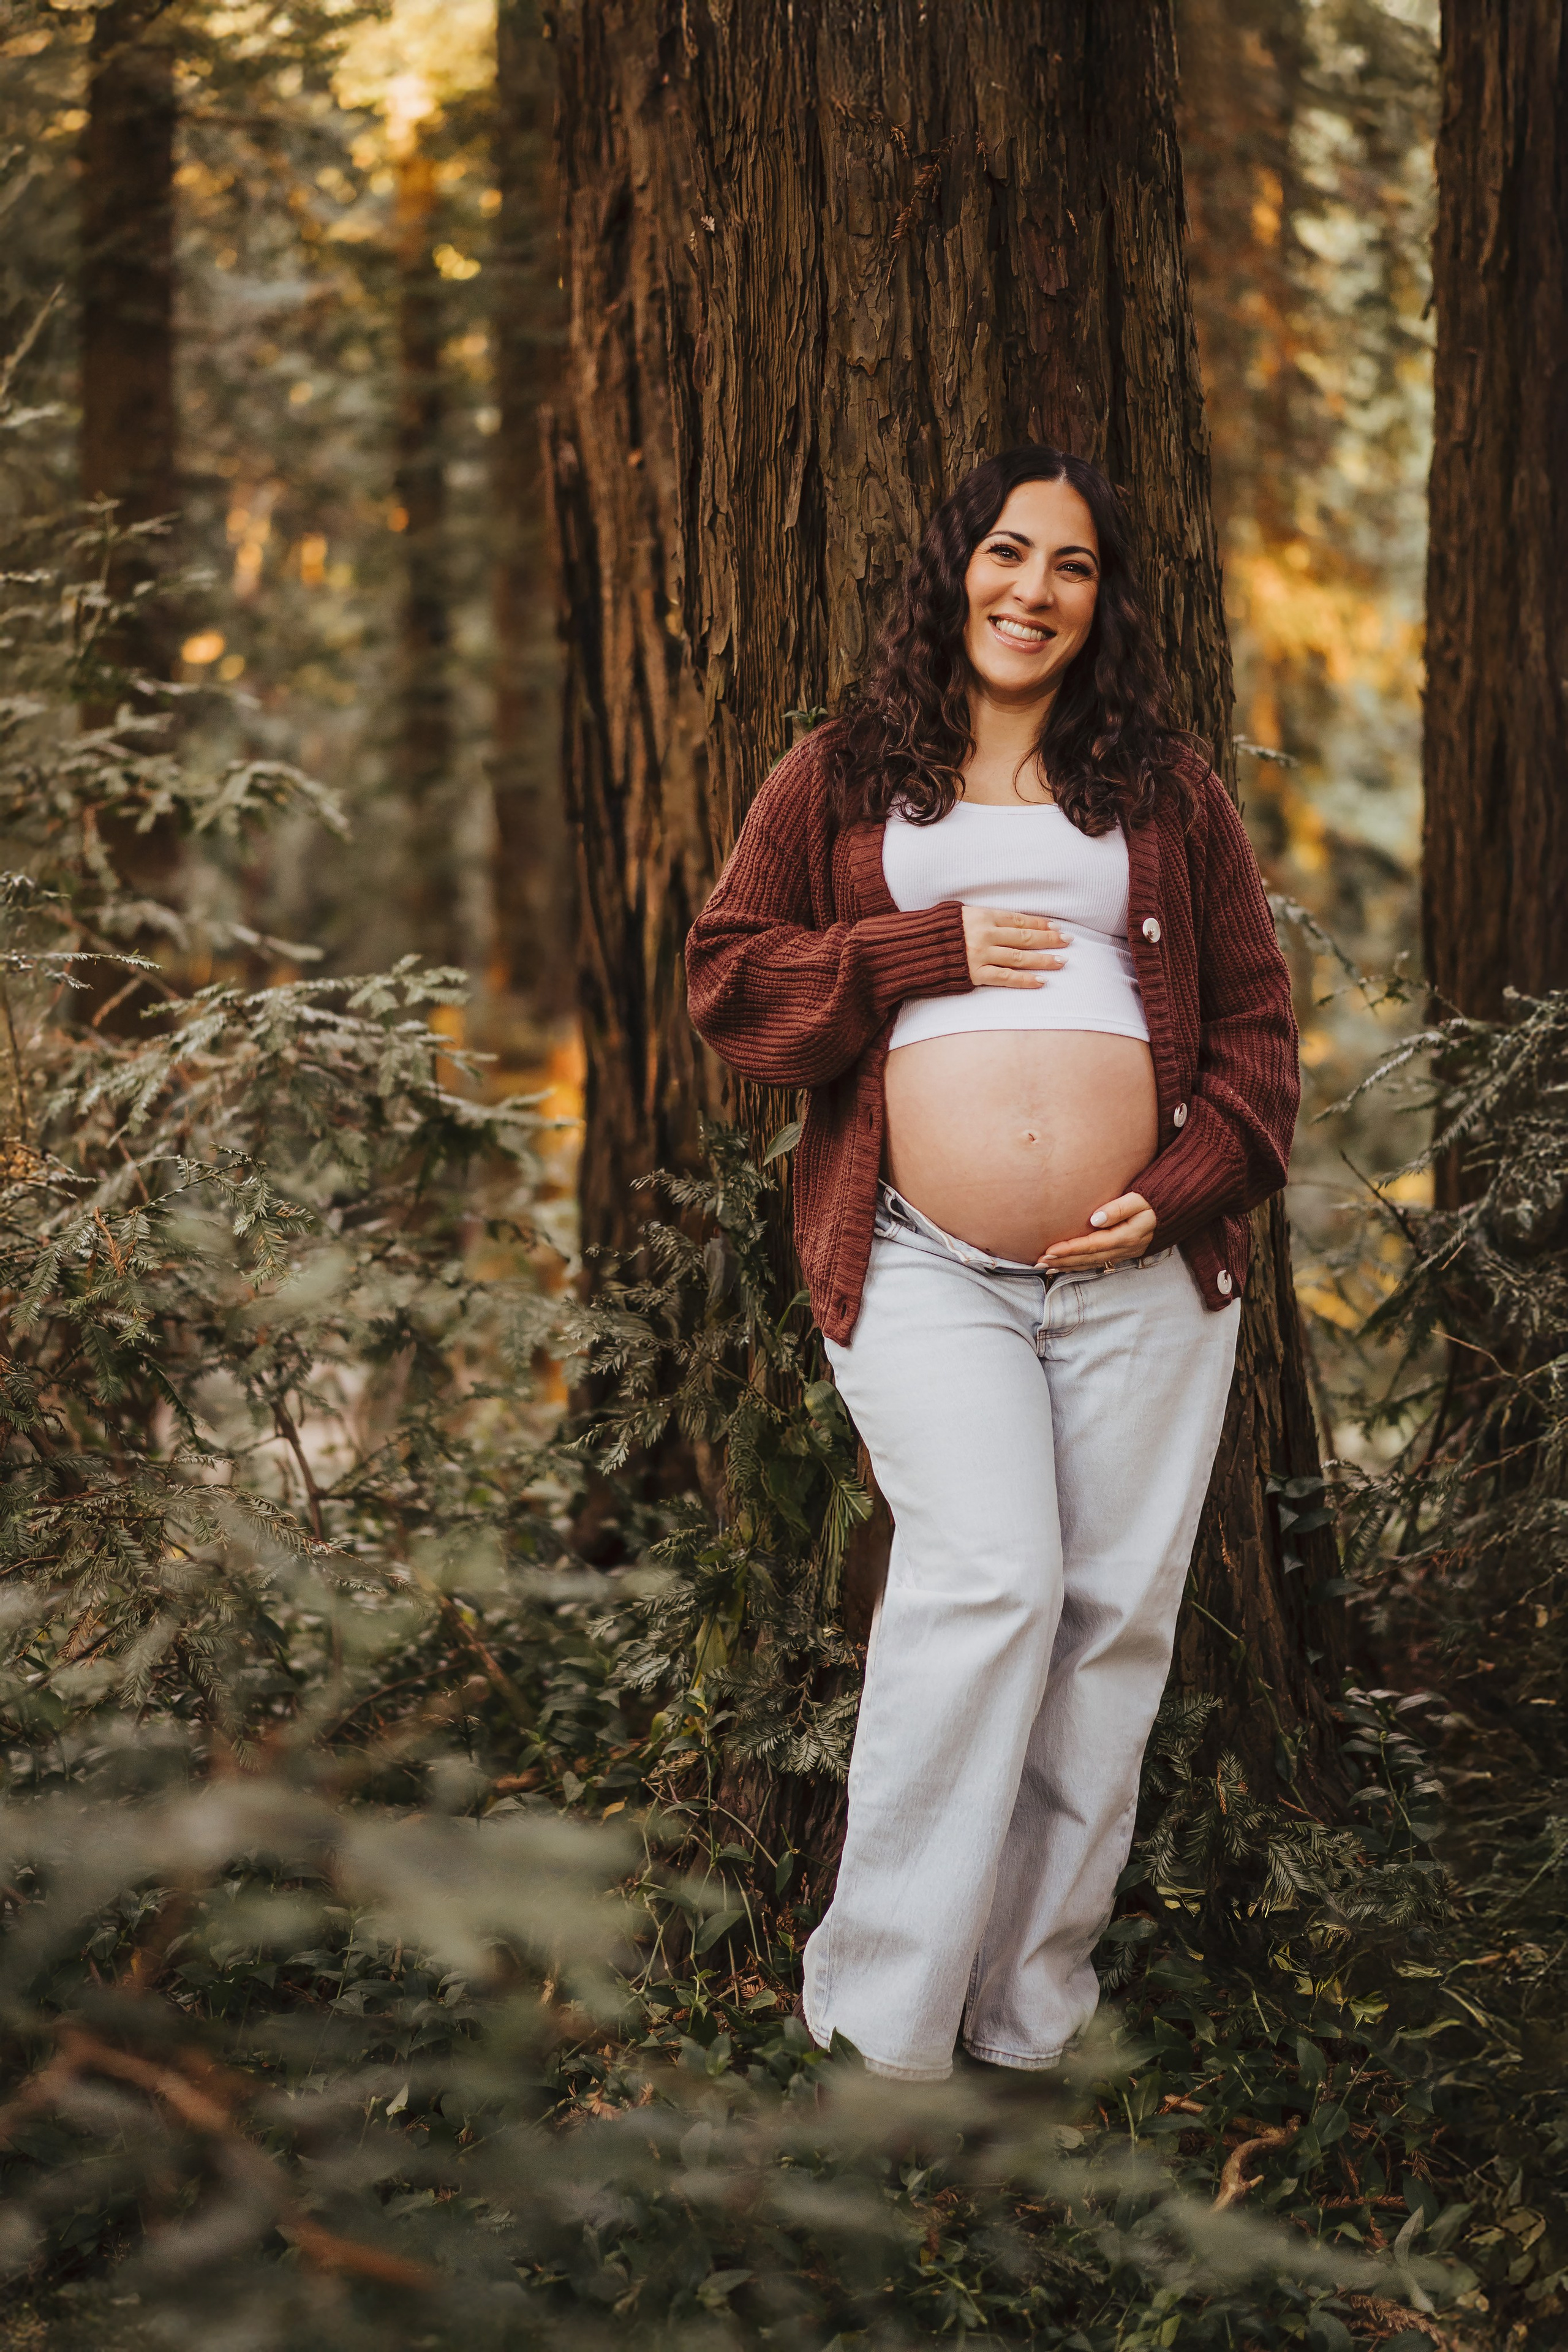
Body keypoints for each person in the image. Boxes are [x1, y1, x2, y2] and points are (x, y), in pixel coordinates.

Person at [683, 446, 1299, 2082]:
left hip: (1147, 1281)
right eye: (1008, 554)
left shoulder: (1164, 793)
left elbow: (1258, 1031)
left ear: (1106, 604)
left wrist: (1178, 1188)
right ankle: (878, 2042)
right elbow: (732, 981)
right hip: (919, 1257)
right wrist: (918, 951)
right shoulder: (839, 775)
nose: (1033, 590)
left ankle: (1029, 2022)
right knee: (991, 1583)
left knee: (1108, 1623)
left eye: (1073, 567)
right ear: (955, 569)